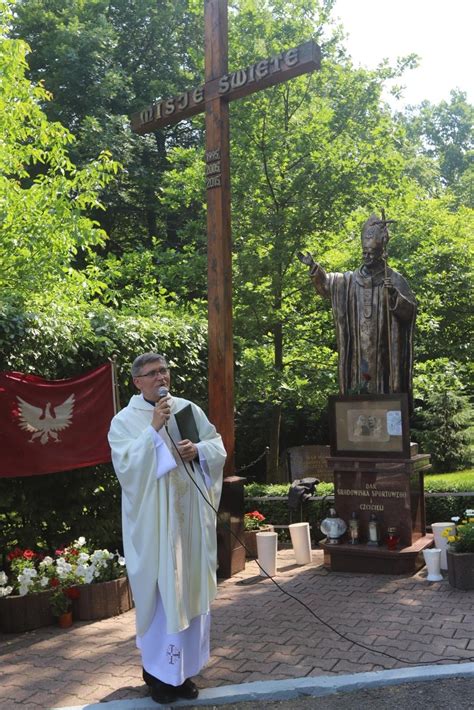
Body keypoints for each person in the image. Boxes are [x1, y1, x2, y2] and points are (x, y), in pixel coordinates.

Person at [108, 353, 226, 704]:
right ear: (137, 381)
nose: (161, 378)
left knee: (186, 590)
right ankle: (157, 677)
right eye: (152, 373)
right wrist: (154, 430)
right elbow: (127, 468)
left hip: (189, 524)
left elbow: (215, 444)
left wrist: (199, 450)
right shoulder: (124, 421)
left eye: (164, 371)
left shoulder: (188, 409)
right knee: (161, 594)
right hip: (156, 527)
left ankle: (184, 674)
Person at [299, 214, 416, 406]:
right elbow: (327, 285)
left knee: (383, 385)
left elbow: (409, 312)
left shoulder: (394, 279)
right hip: (357, 350)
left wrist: (393, 294)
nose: (367, 257)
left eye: (371, 253)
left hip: (385, 351)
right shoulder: (349, 280)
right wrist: (313, 267)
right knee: (359, 381)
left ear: (381, 253)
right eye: (364, 253)